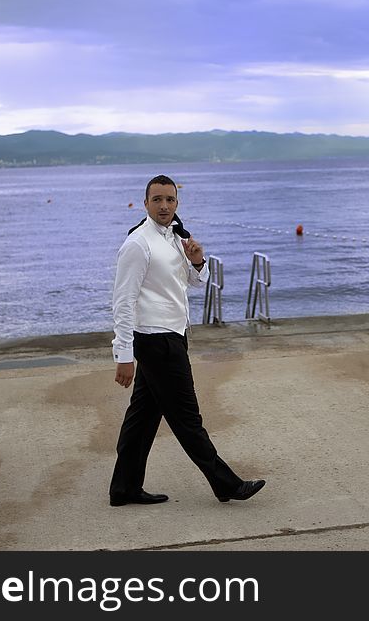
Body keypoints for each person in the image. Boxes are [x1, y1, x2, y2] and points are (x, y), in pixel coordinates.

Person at [108, 174, 266, 506]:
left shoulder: (175, 238)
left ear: (177, 203)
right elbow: (122, 301)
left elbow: (192, 284)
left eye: (170, 199)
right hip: (156, 342)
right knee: (187, 419)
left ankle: (123, 488)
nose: (164, 206)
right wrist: (123, 354)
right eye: (157, 200)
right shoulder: (138, 243)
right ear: (146, 203)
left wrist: (196, 261)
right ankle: (225, 484)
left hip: (174, 337)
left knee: (142, 419)